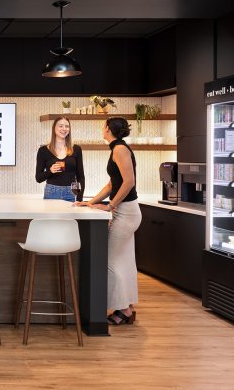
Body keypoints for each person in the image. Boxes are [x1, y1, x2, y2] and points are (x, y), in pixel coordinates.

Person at [75, 116, 141, 325]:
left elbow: (129, 182)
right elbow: (113, 184)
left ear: (109, 129)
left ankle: (123, 311)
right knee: (124, 262)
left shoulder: (120, 149)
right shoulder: (117, 148)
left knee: (109, 261)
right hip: (127, 211)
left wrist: (111, 206)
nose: (101, 129)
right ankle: (128, 307)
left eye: (103, 126)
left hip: (126, 212)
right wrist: (90, 201)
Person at [35, 117, 85, 202]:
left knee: (71, 215)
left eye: (67, 126)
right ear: (54, 128)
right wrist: (50, 171)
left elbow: (80, 177)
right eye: (60, 126)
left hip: (72, 192)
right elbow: (38, 178)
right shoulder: (43, 150)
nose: (64, 129)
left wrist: (79, 199)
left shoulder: (76, 149)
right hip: (51, 192)